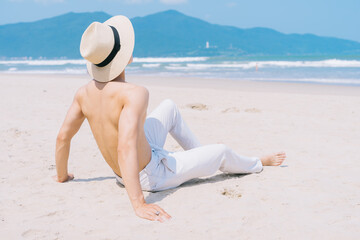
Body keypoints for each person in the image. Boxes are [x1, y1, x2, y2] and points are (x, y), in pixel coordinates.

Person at [53, 15, 286, 223]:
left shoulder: (83, 93)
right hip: (149, 175)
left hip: (129, 167)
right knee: (222, 151)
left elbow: (63, 137)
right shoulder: (135, 93)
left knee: (169, 108)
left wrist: (62, 176)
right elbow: (125, 147)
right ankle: (257, 162)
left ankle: (199, 158)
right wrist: (139, 204)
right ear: (124, 56)